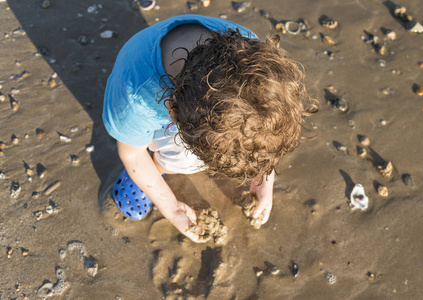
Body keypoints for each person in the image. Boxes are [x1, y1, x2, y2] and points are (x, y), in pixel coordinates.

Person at [103, 14, 318, 243]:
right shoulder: (132, 100)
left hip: (188, 90)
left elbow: (261, 125)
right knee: (184, 159)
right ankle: (156, 170)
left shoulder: (251, 59)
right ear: (173, 112)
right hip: (142, 86)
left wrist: (264, 178)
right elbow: (132, 154)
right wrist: (170, 207)